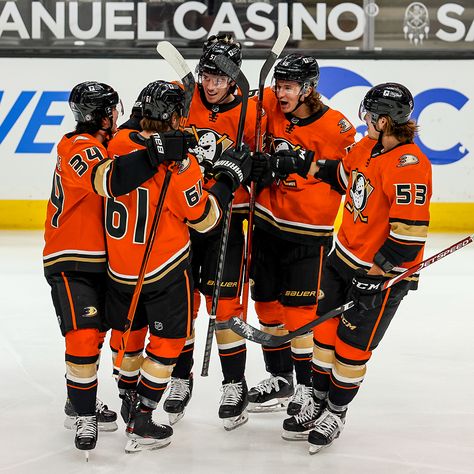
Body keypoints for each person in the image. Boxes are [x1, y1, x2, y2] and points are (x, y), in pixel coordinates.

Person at [98, 79, 252, 452]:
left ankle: (126, 396)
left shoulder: (117, 144)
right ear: (177, 117)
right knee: (168, 341)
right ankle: (144, 416)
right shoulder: (179, 166)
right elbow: (205, 219)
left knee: (129, 340)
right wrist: (227, 178)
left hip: (120, 271)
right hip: (164, 269)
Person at [286, 82, 432, 453]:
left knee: (351, 349)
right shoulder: (369, 146)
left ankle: (336, 411)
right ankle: (316, 400)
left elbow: (408, 236)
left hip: (380, 277)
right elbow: (342, 177)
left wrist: (377, 277)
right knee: (324, 336)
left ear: (383, 121)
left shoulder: (409, 166)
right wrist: (301, 162)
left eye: (369, 115)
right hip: (343, 259)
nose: (364, 120)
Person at [163, 34, 265, 431]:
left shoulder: (254, 111)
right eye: (206, 74)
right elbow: (148, 118)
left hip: (228, 216)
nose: (211, 83)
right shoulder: (181, 96)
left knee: (224, 308)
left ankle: (235, 383)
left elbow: (271, 149)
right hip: (183, 218)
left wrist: (260, 164)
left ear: (235, 77)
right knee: (182, 305)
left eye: (220, 77)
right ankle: (179, 377)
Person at [247, 53, 356, 429]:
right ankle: (279, 378)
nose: (281, 93)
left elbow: (346, 180)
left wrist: (299, 162)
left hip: (308, 234)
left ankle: (307, 388)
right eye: (278, 85)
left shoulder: (336, 128)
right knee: (266, 307)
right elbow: (228, 105)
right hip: (265, 225)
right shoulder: (268, 105)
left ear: (309, 89)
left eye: (289, 87)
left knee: (300, 315)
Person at [43, 81, 127, 455]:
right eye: (112, 110)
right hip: (71, 258)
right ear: (101, 115)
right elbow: (109, 181)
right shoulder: (80, 148)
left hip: (100, 259)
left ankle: (78, 401)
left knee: (94, 337)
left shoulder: (99, 144)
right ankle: (83, 414)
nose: (117, 115)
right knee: (82, 335)